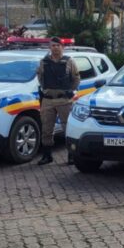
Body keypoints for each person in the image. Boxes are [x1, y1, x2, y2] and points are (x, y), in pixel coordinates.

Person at [36, 37, 80, 165]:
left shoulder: (69, 61)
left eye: (58, 45)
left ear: (62, 47)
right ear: (49, 47)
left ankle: (71, 155)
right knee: (46, 128)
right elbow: (40, 77)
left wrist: (70, 91)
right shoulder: (43, 62)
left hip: (64, 99)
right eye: (53, 45)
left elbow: (76, 78)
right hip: (48, 100)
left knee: (68, 127)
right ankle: (47, 155)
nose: (55, 47)